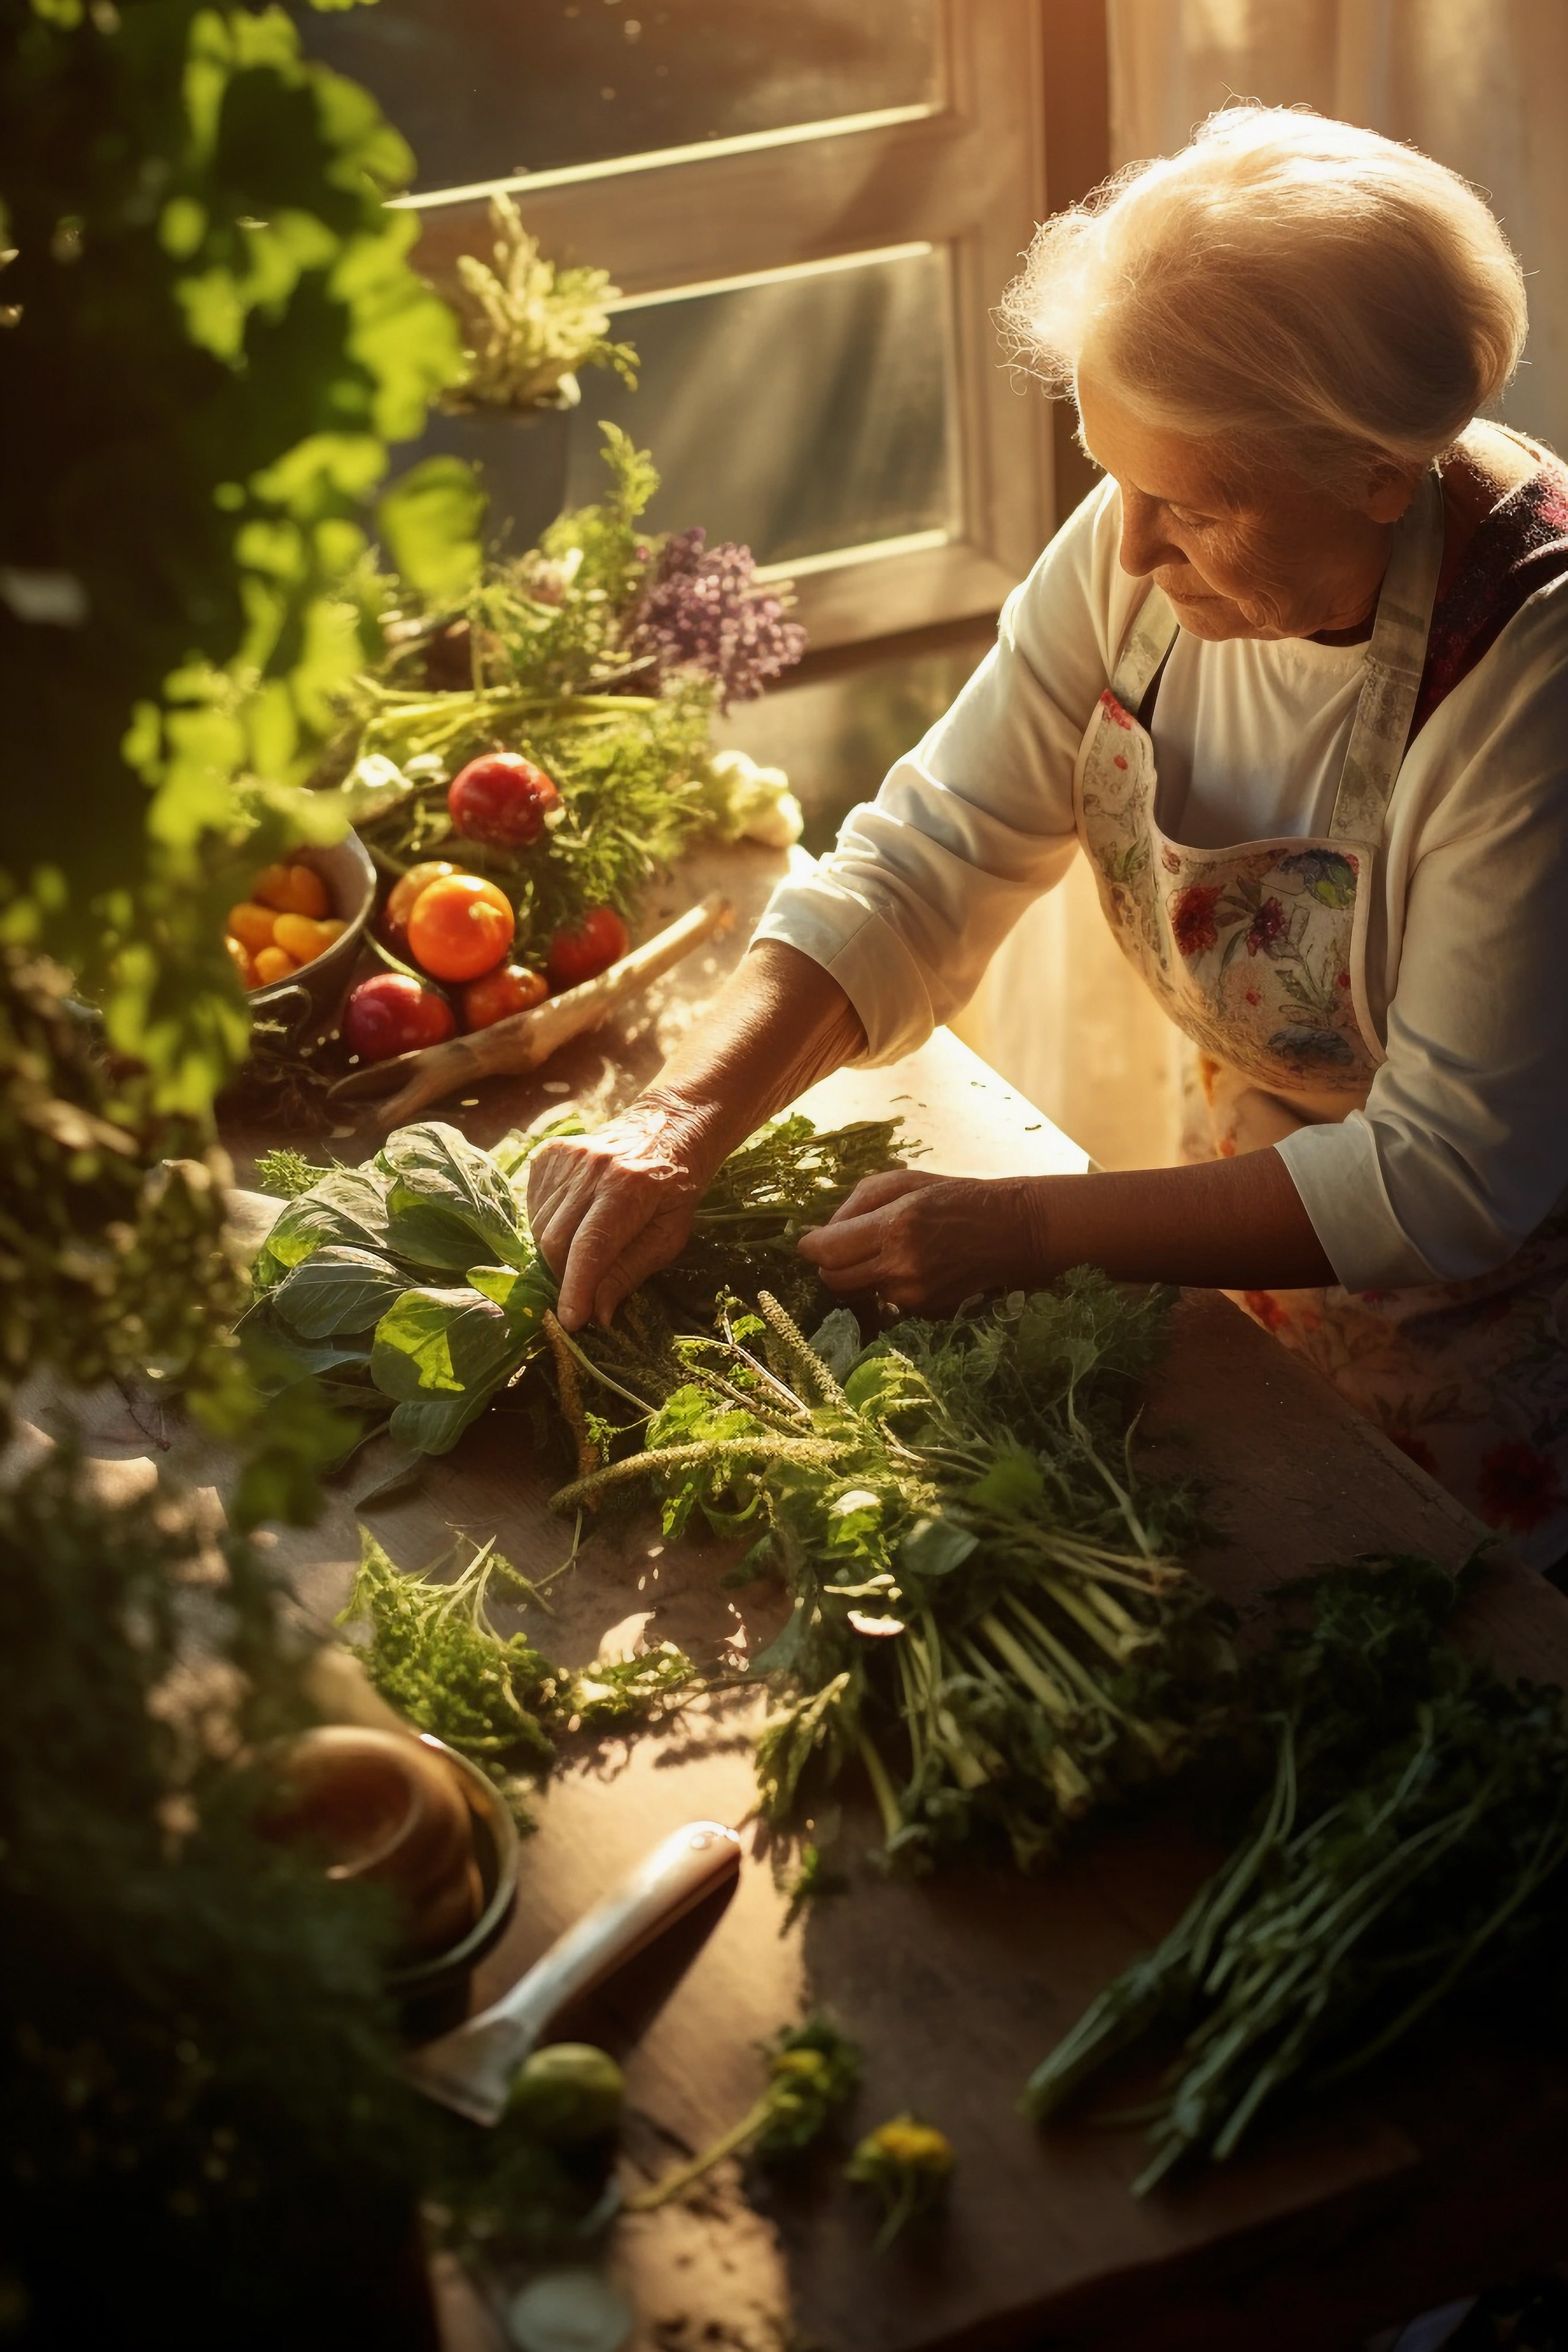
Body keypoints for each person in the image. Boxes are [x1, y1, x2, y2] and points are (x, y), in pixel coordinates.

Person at [529, 105, 1568, 1570]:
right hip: (1251, 1213)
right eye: (1112, 477)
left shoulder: (1531, 689)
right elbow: (929, 850)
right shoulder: (1138, 547)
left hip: (1504, 1341)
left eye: (1189, 508)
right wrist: (678, 1121)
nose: (1127, 551)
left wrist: (1024, 1233)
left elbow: (1446, 1179)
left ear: (1373, 478)